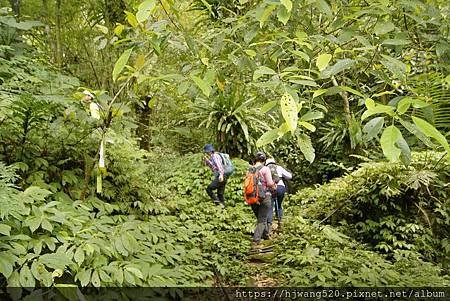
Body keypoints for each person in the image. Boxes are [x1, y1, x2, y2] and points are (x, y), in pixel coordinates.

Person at [250, 151, 276, 251]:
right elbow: (269, 183)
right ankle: (255, 242)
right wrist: (274, 186)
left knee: (261, 218)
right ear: (264, 160)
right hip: (265, 196)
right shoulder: (265, 169)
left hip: (252, 197)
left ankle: (266, 235)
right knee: (262, 220)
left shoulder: (250, 169)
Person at [265, 158, 292, 231]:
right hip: (280, 187)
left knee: (270, 207)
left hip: (270, 188)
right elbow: (289, 176)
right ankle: (280, 221)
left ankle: (269, 226)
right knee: (279, 205)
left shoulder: (265, 168)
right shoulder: (279, 168)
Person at [203, 144, 227, 208]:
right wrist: (207, 161)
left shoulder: (215, 156)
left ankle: (218, 203)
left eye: (206, 152)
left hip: (221, 175)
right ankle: (223, 208)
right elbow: (214, 167)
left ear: (209, 151)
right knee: (220, 194)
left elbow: (219, 166)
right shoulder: (213, 156)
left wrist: (221, 175)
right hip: (224, 175)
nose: (206, 153)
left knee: (209, 189)